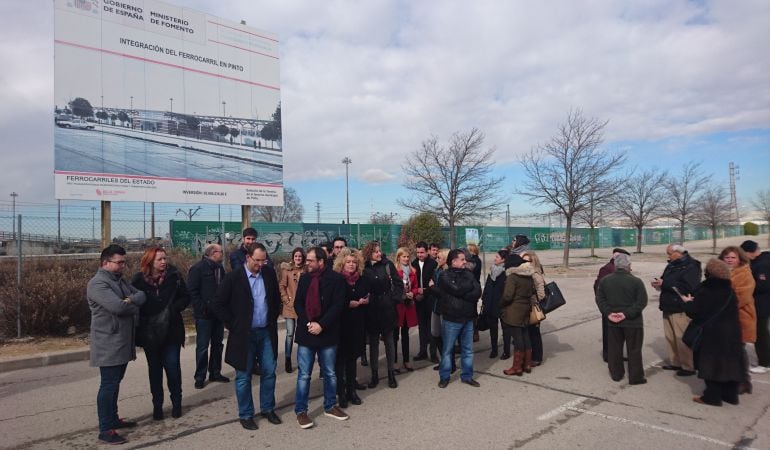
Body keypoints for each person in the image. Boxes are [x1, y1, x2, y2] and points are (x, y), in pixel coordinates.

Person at [211, 243, 282, 431]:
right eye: (257, 260)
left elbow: (275, 299)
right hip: (244, 335)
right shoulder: (234, 278)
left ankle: (268, 408)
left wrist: (273, 316)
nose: (260, 264)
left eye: (263, 260)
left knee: (269, 371)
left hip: (266, 332)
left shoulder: (268, 273)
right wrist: (233, 324)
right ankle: (246, 414)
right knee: (243, 376)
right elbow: (218, 304)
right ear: (248, 258)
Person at [87, 245, 146, 445]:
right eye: (119, 262)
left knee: (115, 383)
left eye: (124, 262)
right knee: (108, 385)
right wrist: (131, 303)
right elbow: (118, 307)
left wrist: (131, 299)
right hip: (108, 342)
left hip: (122, 341)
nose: (123, 265)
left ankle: (113, 419)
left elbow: (140, 295)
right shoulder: (98, 284)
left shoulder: (119, 280)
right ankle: (105, 429)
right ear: (106, 263)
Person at [131, 246, 190, 421]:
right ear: (150, 261)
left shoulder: (174, 276)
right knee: (154, 371)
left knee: (173, 368)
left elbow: (186, 297)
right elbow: (133, 302)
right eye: (160, 259)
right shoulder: (138, 280)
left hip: (171, 330)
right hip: (150, 333)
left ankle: (176, 403)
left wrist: (173, 308)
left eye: (165, 258)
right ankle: (157, 405)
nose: (164, 262)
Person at [293, 247, 349, 429]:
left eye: (310, 260)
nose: (306, 262)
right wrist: (309, 323)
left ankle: (330, 406)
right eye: (306, 260)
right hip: (306, 333)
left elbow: (337, 306)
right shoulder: (304, 278)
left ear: (321, 262)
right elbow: (298, 304)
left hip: (328, 333)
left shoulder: (337, 280)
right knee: (304, 375)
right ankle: (301, 411)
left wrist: (321, 325)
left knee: (330, 373)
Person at [682, 258, 744, 406]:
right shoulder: (730, 290)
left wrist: (688, 303)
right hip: (732, 332)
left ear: (708, 273)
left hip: (712, 333)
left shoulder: (706, 290)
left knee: (711, 364)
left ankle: (712, 397)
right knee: (731, 363)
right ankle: (731, 395)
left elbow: (695, 312)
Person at [595, 253, 648, 385]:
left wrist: (609, 313)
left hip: (613, 322)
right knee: (634, 350)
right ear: (628, 265)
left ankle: (616, 374)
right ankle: (636, 377)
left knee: (614, 349)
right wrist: (626, 314)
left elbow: (600, 299)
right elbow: (641, 302)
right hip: (633, 322)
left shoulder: (605, 281)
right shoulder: (636, 281)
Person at [651, 244, 701, 376]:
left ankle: (688, 366)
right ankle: (675, 362)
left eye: (669, 253)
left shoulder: (692, 266)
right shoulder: (671, 265)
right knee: (670, 337)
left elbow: (687, 286)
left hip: (680, 307)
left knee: (681, 337)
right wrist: (659, 283)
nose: (668, 256)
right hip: (668, 304)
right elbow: (665, 280)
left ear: (678, 253)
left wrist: (665, 284)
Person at [437, 249, 482, 388]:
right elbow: (455, 289)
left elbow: (477, 292)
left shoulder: (469, 274)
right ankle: (444, 376)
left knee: (468, 349)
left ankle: (467, 376)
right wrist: (467, 288)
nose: (465, 262)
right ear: (453, 261)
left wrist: (463, 292)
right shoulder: (444, 275)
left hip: (468, 318)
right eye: (462, 259)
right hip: (452, 319)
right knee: (447, 350)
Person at [362, 241, 404, 389]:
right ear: (369, 253)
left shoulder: (388, 265)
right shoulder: (364, 268)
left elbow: (399, 284)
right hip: (371, 310)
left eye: (379, 251)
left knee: (389, 342)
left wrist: (393, 299)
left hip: (387, 309)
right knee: (373, 344)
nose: (379, 254)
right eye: (375, 252)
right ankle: (374, 375)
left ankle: (391, 374)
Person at [188, 243, 229, 390]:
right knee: (203, 347)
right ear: (212, 253)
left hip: (218, 315)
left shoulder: (220, 268)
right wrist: (202, 308)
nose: (222, 254)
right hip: (204, 316)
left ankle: (215, 372)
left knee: (217, 345)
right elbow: (192, 291)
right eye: (220, 251)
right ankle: (200, 376)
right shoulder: (198, 268)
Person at [333, 248, 370, 408]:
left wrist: (367, 300)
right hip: (341, 324)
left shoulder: (361, 279)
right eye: (348, 262)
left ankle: (351, 391)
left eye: (354, 262)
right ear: (342, 262)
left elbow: (368, 293)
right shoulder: (336, 279)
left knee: (352, 359)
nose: (351, 265)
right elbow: (332, 302)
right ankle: (341, 393)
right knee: (340, 361)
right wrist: (348, 304)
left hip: (357, 323)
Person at [719, 246, 756, 395]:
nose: (729, 260)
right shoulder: (720, 273)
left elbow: (742, 297)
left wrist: (719, 304)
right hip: (723, 318)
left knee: (738, 351)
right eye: (726, 257)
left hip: (740, 318)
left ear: (739, 259)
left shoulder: (745, 274)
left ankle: (744, 381)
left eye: (733, 257)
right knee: (727, 351)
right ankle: (730, 378)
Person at [499, 254, 535, 376]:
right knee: (525, 336)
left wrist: (501, 303)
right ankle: (527, 364)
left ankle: (516, 367)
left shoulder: (512, 277)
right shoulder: (529, 276)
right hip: (525, 309)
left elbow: (508, 296)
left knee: (517, 338)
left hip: (513, 311)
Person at [594, 248, 632, 362]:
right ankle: (609, 356)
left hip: (621, 307)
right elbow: (599, 289)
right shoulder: (607, 269)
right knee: (609, 333)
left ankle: (617, 354)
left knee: (619, 334)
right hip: (610, 307)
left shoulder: (621, 268)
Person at [741, 240, 770, 373]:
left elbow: (764, 285)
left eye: (744, 253)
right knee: (761, 332)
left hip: (762, 304)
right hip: (758, 302)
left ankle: (765, 363)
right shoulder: (756, 261)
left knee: (760, 333)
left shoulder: (762, 264)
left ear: (750, 252)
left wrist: (747, 287)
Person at [279, 247, 305, 373]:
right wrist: (285, 299)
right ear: (293, 257)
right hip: (289, 306)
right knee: (289, 334)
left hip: (303, 308)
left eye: (300, 256)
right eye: (296, 256)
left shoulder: (306, 270)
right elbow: (282, 285)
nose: (298, 258)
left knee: (301, 336)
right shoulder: (287, 270)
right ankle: (288, 359)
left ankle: (301, 360)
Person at [393, 247, 419, 372]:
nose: (406, 259)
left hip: (408, 305)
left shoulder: (413, 271)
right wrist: (402, 294)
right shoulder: (394, 271)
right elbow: (392, 287)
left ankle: (406, 360)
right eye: (404, 256)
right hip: (397, 306)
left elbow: (415, 286)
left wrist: (412, 293)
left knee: (405, 334)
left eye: (408, 257)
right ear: (399, 257)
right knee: (394, 335)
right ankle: (393, 361)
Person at [412, 241, 438, 362]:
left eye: (422, 252)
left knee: (432, 327)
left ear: (427, 251)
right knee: (422, 327)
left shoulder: (433, 264)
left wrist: (425, 291)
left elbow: (435, 282)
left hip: (430, 299)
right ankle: (422, 351)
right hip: (419, 300)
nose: (420, 255)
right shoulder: (414, 264)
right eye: (418, 252)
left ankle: (433, 353)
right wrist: (416, 293)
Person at [481, 249, 509, 358]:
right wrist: (484, 299)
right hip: (491, 304)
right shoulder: (492, 270)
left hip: (502, 305)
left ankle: (506, 351)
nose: (494, 259)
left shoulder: (507, 272)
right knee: (493, 328)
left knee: (505, 329)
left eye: (497, 257)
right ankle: (494, 349)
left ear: (503, 260)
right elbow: (488, 286)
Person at [522, 251, 546, 366]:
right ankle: (529, 356)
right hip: (525, 307)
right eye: (523, 260)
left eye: (527, 261)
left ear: (533, 261)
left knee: (534, 333)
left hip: (533, 307)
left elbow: (541, 293)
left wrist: (531, 297)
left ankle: (537, 357)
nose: (524, 263)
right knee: (528, 333)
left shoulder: (535, 273)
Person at [466, 244, 483, 343]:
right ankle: (474, 332)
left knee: (472, 311)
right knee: (473, 310)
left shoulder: (474, 261)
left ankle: (474, 332)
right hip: (475, 287)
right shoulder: (477, 260)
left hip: (472, 288)